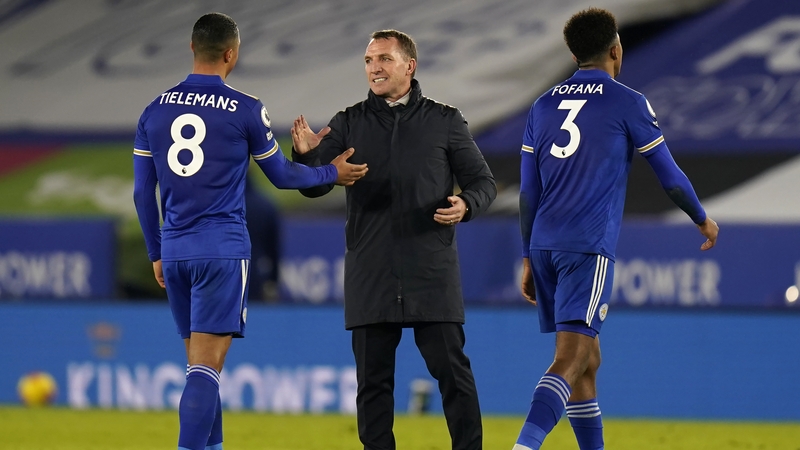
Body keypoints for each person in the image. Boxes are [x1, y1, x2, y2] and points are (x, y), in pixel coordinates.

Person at [132, 12, 367, 450]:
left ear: (191, 48)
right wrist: (329, 174)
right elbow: (279, 175)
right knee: (207, 368)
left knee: (198, 366)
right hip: (221, 250)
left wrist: (156, 252)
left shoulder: (153, 110)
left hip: (177, 250)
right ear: (231, 54)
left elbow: (143, 193)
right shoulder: (245, 108)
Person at [514, 8, 719, 450]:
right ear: (615, 49)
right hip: (586, 246)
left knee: (588, 360)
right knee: (569, 360)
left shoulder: (542, 104)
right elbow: (670, 176)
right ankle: (523, 446)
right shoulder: (628, 101)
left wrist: (528, 255)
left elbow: (527, 193)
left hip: (545, 243)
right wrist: (702, 218)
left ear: (572, 53)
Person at [291, 29, 496, 450]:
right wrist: (308, 157)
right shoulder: (348, 123)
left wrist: (466, 204)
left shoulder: (445, 120)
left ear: (409, 65)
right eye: (368, 61)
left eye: (383, 59)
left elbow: (482, 182)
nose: (374, 68)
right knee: (373, 386)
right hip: (372, 272)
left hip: (430, 271)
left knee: (454, 376)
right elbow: (312, 188)